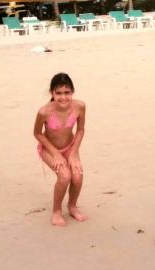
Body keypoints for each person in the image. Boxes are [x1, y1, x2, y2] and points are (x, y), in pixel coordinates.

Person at [33, 73, 88, 227]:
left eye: (67, 92)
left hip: (70, 147)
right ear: (52, 93)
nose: (63, 97)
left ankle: (72, 206)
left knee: (77, 176)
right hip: (49, 149)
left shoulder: (80, 106)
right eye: (58, 93)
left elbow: (80, 130)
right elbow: (37, 133)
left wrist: (74, 153)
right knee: (65, 176)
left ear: (72, 91)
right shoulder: (44, 112)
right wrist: (56, 154)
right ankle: (56, 212)